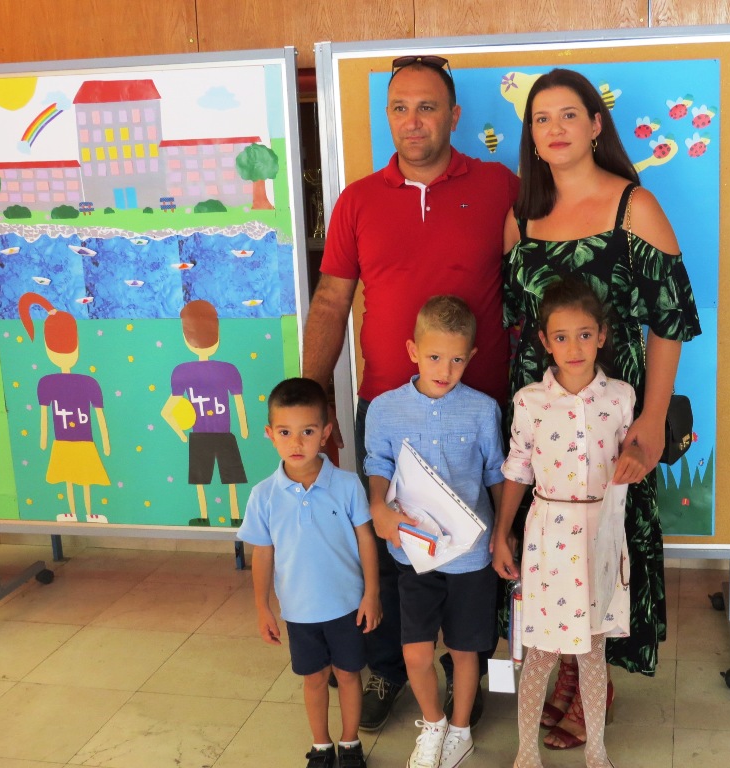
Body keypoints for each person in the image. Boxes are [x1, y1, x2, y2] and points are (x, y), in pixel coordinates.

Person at [302, 54, 518, 729]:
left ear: (454, 115)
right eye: (399, 108)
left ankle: (466, 670)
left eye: (427, 107)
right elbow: (331, 302)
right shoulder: (358, 199)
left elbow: (534, 285)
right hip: (388, 410)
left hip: (480, 410)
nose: (412, 120)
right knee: (392, 550)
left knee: (475, 550)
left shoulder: (499, 187)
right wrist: (317, 400)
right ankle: (391, 668)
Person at [501, 68, 701, 750]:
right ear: (531, 136)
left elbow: (669, 322)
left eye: (568, 114)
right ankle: (557, 675)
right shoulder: (520, 217)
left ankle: (596, 680)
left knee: (608, 540)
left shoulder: (633, 207)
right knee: (545, 542)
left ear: (595, 125)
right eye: (540, 118)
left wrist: (653, 417)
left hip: (615, 414)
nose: (554, 129)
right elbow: (516, 321)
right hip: (542, 413)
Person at [493, 278, 644, 768]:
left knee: (592, 650)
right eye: (561, 337)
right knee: (540, 650)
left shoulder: (620, 397)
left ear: (602, 335)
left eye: (584, 335)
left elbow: (635, 452)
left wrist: (637, 458)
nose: (574, 347)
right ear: (544, 341)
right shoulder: (529, 402)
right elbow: (518, 468)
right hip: (549, 537)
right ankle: (525, 753)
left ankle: (596, 751)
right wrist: (502, 533)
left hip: (601, 534)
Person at [363, 296, 504, 768]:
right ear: (413, 351)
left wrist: (504, 532)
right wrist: (379, 507)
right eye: (435, 357)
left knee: (465, 651)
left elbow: (496, 473)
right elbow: (378, 463)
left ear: (472, 356)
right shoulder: (384, 409)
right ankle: (434, 723)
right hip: (414, 556)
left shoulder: (483, 410)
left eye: (457, 359)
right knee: (417, 654)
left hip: (471, 558)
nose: (445, 370)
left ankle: (460, 731)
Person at [237, 378, 381, 768]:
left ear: (326, 432)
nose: (296, 443)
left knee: (348, 675)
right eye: (285, 432)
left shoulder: (347, 485)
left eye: (308, 431)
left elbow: (366, 540)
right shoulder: (263, 496)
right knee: (314, 679)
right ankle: (321, 745)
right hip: (299, 612)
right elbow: (262, 553)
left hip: (347, 605)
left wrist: (371, 594)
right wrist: (262, 607)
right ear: (270, 434)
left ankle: (350, 744)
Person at [18, 292, 111, 524]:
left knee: (84, 477)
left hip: (84, 440)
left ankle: (89, 512)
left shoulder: (87, 383)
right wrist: (44, 439)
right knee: (70, 476)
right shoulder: (48, 383)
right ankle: (72, 511)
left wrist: (105, 442)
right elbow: (45, 415)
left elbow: (99, 415)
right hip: (62, 441)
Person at [161, 299, 249, 527]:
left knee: (210, 479)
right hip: (220, 434)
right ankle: (234, 515)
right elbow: (238, 403)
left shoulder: (182, 372)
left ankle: (205, 516)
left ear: (186, 338)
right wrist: (244, 428)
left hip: (202, 435)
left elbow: (167, 411)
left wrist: (180, 432)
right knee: (225, 478)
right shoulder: (228, 370)